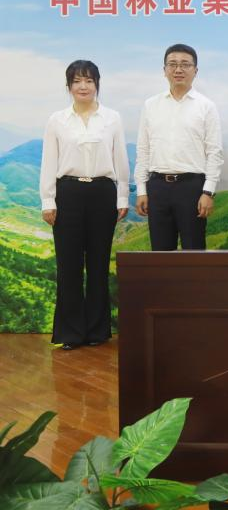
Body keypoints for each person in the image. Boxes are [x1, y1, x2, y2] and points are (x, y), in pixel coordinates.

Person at [38, 60, 129, 350]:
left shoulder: (112, 118)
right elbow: (48, 162)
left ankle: (97, 331)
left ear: (97, 84)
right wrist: (48, 200)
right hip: (68, 193)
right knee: (69, 265)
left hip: (103, 192)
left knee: (99, 263)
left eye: (89, 80)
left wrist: (122, 197)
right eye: (77, 81)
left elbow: (120, 159)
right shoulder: (57, 120)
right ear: (68, 86)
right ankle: (71, 332)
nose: (83, 86)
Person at [134, 44, 223, 250]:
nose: (178, 69)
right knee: (160, 253)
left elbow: (214, 153)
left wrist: (208, 192)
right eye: (172, 64)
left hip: (191, 187)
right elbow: (143, 150)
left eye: (185, 64)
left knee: (194, 250)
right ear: (164, 70)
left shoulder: (206, 106)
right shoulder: (151, 105)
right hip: (157, 186)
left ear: (195, 70)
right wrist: (141, 190)